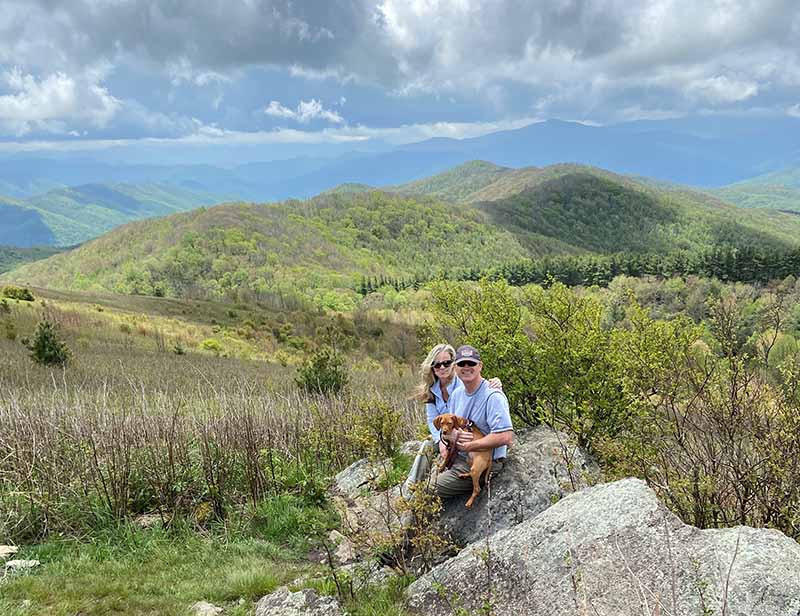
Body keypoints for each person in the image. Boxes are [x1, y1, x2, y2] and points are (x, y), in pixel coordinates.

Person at [434, 344, 514, 499]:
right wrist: (449, 437)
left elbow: (506, 436)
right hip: (460, 456)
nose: (466, 367)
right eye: (462, 363)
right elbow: (448, 428)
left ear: (480, 366)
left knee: (430, 489)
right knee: (419, 477)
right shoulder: (457, 394)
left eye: (471, 363)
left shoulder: (493, 396)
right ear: (456, 368)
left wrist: (471, 445)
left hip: (484, 462)